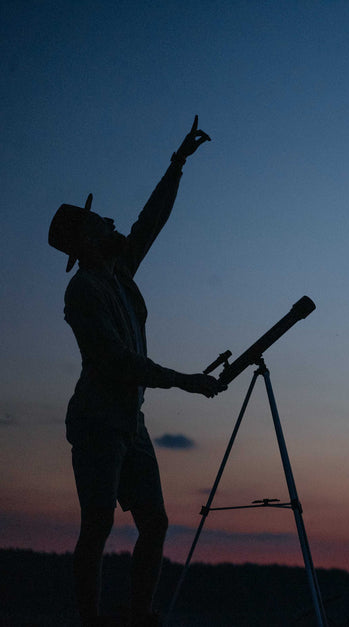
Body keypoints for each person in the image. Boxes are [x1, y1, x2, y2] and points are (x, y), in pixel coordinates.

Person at [48, 116, 226, 627]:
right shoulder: (83, 291)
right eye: (100, 221)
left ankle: (140, 614)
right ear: (84, 240)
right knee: (98, 524)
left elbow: (152, 220)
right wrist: (187, 380)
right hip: (99, 422)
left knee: (155, 522)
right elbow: (118, 363)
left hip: (131, 423)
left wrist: (177, 164)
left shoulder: (120, 270)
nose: (110, 221)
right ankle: (91, 620)